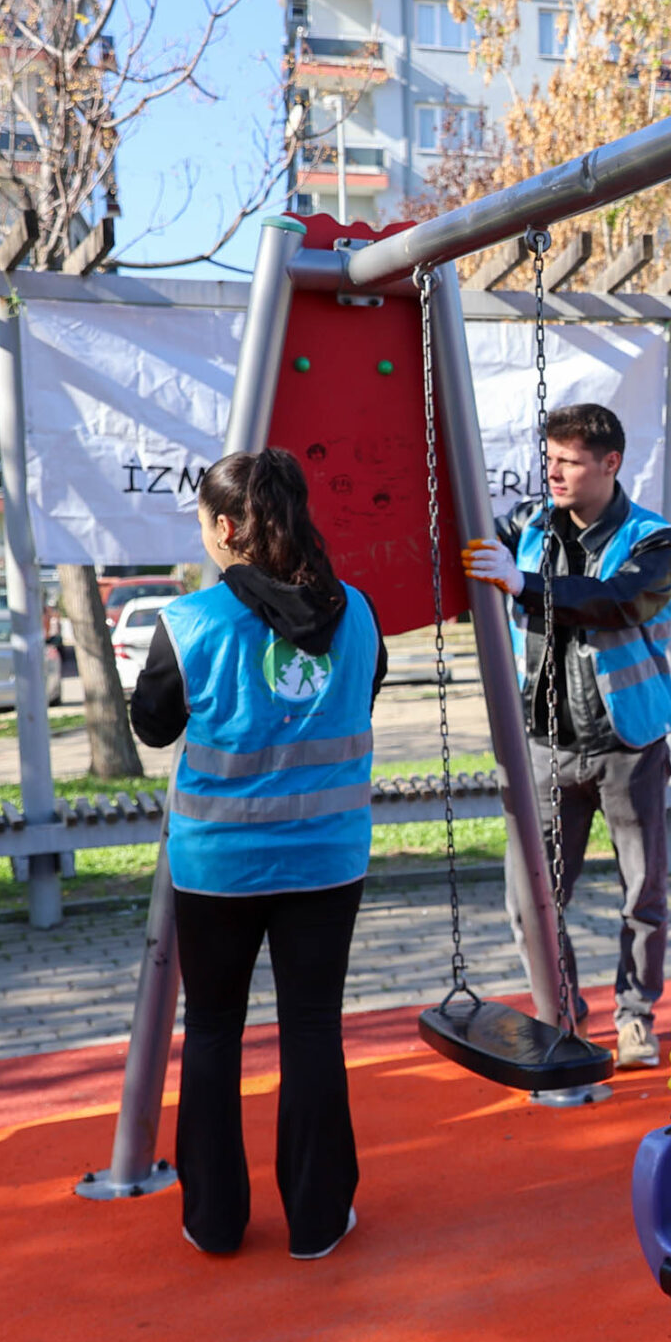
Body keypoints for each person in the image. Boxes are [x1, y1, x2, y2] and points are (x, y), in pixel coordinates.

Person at [129, 447, 388, 1261]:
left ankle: (213, 1219)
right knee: (312, 1028)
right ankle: (316, 1219)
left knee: (212, 1029)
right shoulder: (359, 611)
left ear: (228, 526)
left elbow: (154, 725)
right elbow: (362, 688)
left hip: (219, 869)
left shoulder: (190, 623)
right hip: (326, 860)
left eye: (206, 523)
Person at [461, 401, 671, 1069]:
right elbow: (462, 547)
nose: (552, 472)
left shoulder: (655, 539)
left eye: (569, 461)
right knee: (534, 892)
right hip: (546, 743)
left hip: (628, 744)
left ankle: (635, 1013)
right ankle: (562, 1012)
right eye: (549, 458)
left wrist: (523, 584)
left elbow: (618, 600)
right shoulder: (527, 525)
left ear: (610, 464)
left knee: (642, 890)